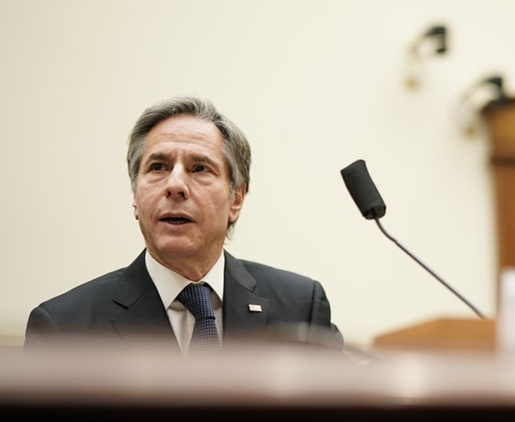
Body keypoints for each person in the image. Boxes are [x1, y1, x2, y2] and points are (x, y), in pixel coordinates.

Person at [25, 94, 342, 354]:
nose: (175, 185)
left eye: (200, 168)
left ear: (236, 199)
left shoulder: (300, 306)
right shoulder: (64, 328)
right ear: (136, 195)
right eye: (158, 166)